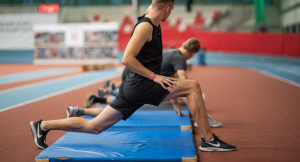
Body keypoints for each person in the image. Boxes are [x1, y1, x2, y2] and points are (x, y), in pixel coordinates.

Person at [30, 0, 236, 152]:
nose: (170, 14)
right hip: (141, 85)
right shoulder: (145, 27)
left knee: (95, 126)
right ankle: (208, 139)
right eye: (170, 10)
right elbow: (127, 58)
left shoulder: (152, 15)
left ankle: (43, 125)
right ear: (167, 9)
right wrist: (155, 77)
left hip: (133, 86)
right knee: (193, 86)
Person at [79, 38, 222, 128]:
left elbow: (176, 85)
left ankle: (89, 104)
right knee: (193, 91)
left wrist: (177, 106)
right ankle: (202, 120)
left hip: (132, 74)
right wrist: (192, 107)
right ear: (193, 54)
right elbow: (185, 83)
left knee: (120, 108)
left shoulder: (172, 53)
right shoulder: (179, 59)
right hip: (136, 78)